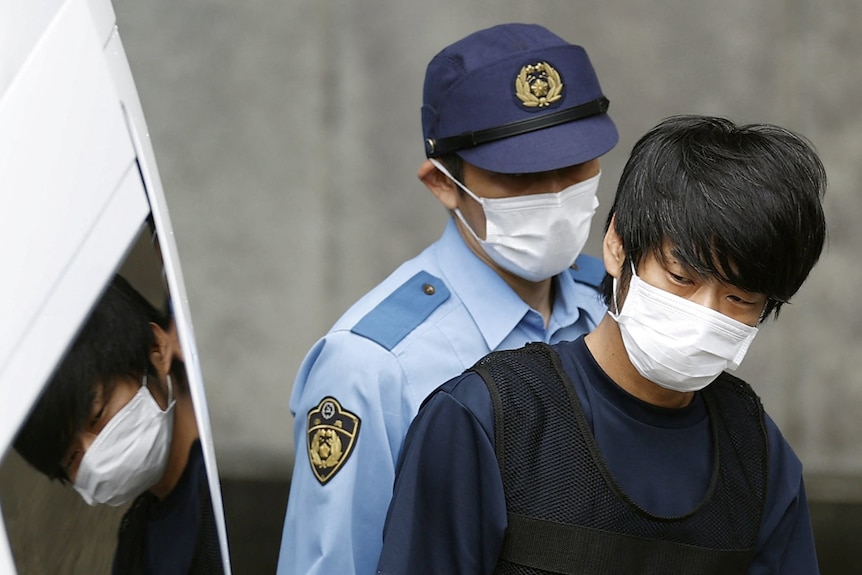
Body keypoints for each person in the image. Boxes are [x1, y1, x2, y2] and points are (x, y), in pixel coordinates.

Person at [377, 115, 828, 574]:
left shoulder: (756, 452)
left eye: (739, 298)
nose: (705, 314)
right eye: (680, 278)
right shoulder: (487, 419)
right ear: (617, 245)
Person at [277, 23, 619, 575]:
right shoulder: (372, 365)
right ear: (442, 184)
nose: (555, 193)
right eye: (522, 175)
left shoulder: (615, 305)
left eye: (576, 165)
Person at [14, 274, 224, 575]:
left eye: (97, 415)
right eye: (72, 458)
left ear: (155, 348)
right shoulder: (135, 548)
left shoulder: (226, 485)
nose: (94, 455)